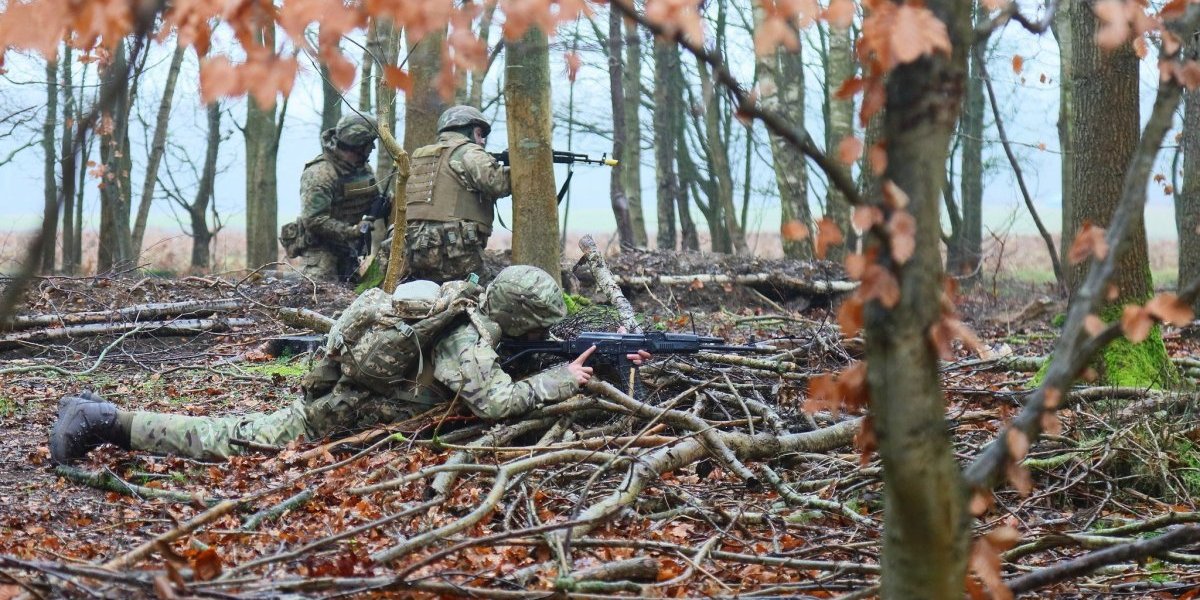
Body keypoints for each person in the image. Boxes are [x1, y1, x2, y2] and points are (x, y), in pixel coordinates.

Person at [48, 266, 648, 463]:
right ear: (518, 318)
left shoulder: (466, 307)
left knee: (234, 432)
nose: (542, 336)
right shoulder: (466, 340)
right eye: (537, 327)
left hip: (351, 406)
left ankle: (101, 414)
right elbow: (494, 402)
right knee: (226, 438)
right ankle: (105, 420)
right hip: (336, 417)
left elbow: (500, 370)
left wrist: (603, 358)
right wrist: (559, 381)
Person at [393, 105, 511, 283]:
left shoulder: (419, 156)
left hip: (412, 251)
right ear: (466, 130)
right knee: (490, 288)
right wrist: (515, 167)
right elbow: (497, 183)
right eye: (479, 134)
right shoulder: (469, 151)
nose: (482, 141)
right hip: (454, 252)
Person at [280, 113, 383, 282]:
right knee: (320, 293)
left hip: (349, 251)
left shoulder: (364, 170)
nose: (372, 147)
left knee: (354, 292)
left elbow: (374, 198)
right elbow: (314, 220)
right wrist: (351, 231)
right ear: (358, 143)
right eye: (369, 143)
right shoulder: (320, 173)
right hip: (321, 251)